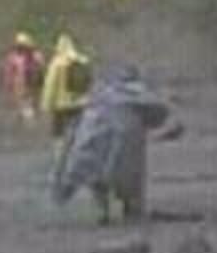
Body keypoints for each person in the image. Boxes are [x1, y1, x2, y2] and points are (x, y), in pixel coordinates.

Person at [52, 65, 172, 224]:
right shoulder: (136, 92)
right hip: (124, 143)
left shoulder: (98, 96)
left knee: (95, 176)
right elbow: (159, 111)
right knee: (128, 178)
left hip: (94, 140)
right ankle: (127, 209)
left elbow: (75, 118)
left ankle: (104, 211)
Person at [40, 33, 92, 155]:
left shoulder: (57, 63)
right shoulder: (83, 61)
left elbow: (50, 86)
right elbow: (89, 82)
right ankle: (79, 152)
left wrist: (46, 105)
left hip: (61, 105)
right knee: (79, 129)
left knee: (59, 132)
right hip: (80, 103)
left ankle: (60, 155)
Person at [1, 32, 46, 125]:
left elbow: (42, 70)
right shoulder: (13, 57)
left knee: (29, 106)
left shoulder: (36, 56)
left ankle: (29, 122)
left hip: (30, 85)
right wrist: (8, 84)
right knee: (24, 105)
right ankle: (26, 120)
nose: (21, 48)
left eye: (22, 46)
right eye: (20, 46)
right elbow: (9, 72)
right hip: (22, 85)